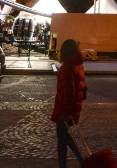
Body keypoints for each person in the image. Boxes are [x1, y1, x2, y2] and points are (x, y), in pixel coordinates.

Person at [50, 38, 86, 168]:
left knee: (62, 140)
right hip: (73, 108)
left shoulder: (67, 67)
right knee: (65, 137)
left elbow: (68, 92)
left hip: (64, 110)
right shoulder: (78, 64)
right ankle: (82, 160)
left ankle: (65, 165)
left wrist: (66, 113)